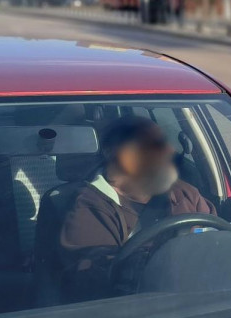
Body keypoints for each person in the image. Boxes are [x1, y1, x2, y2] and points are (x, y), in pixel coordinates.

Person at [59, 116, 215, 301]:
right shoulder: (89, 209)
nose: (167, 150)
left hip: (204, 299)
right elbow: (96, 284)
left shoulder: (184, 192)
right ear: (112, 154)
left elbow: (217, 239)